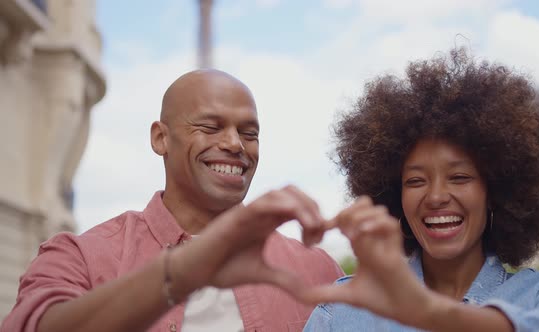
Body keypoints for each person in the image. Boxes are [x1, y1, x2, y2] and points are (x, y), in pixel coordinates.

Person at [1, 69, 343, 332]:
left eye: (249, 133)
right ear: (161, 138)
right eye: (210, 127)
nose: (235, 144)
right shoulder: (81, 258)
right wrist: (183, 271)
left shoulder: (318, 270)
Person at [303, 48, 539, 331]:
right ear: (393, 198)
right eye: (416, 181)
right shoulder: (341, 313)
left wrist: (432, 312)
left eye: (460, 177)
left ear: (494, 193)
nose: (437, 197)